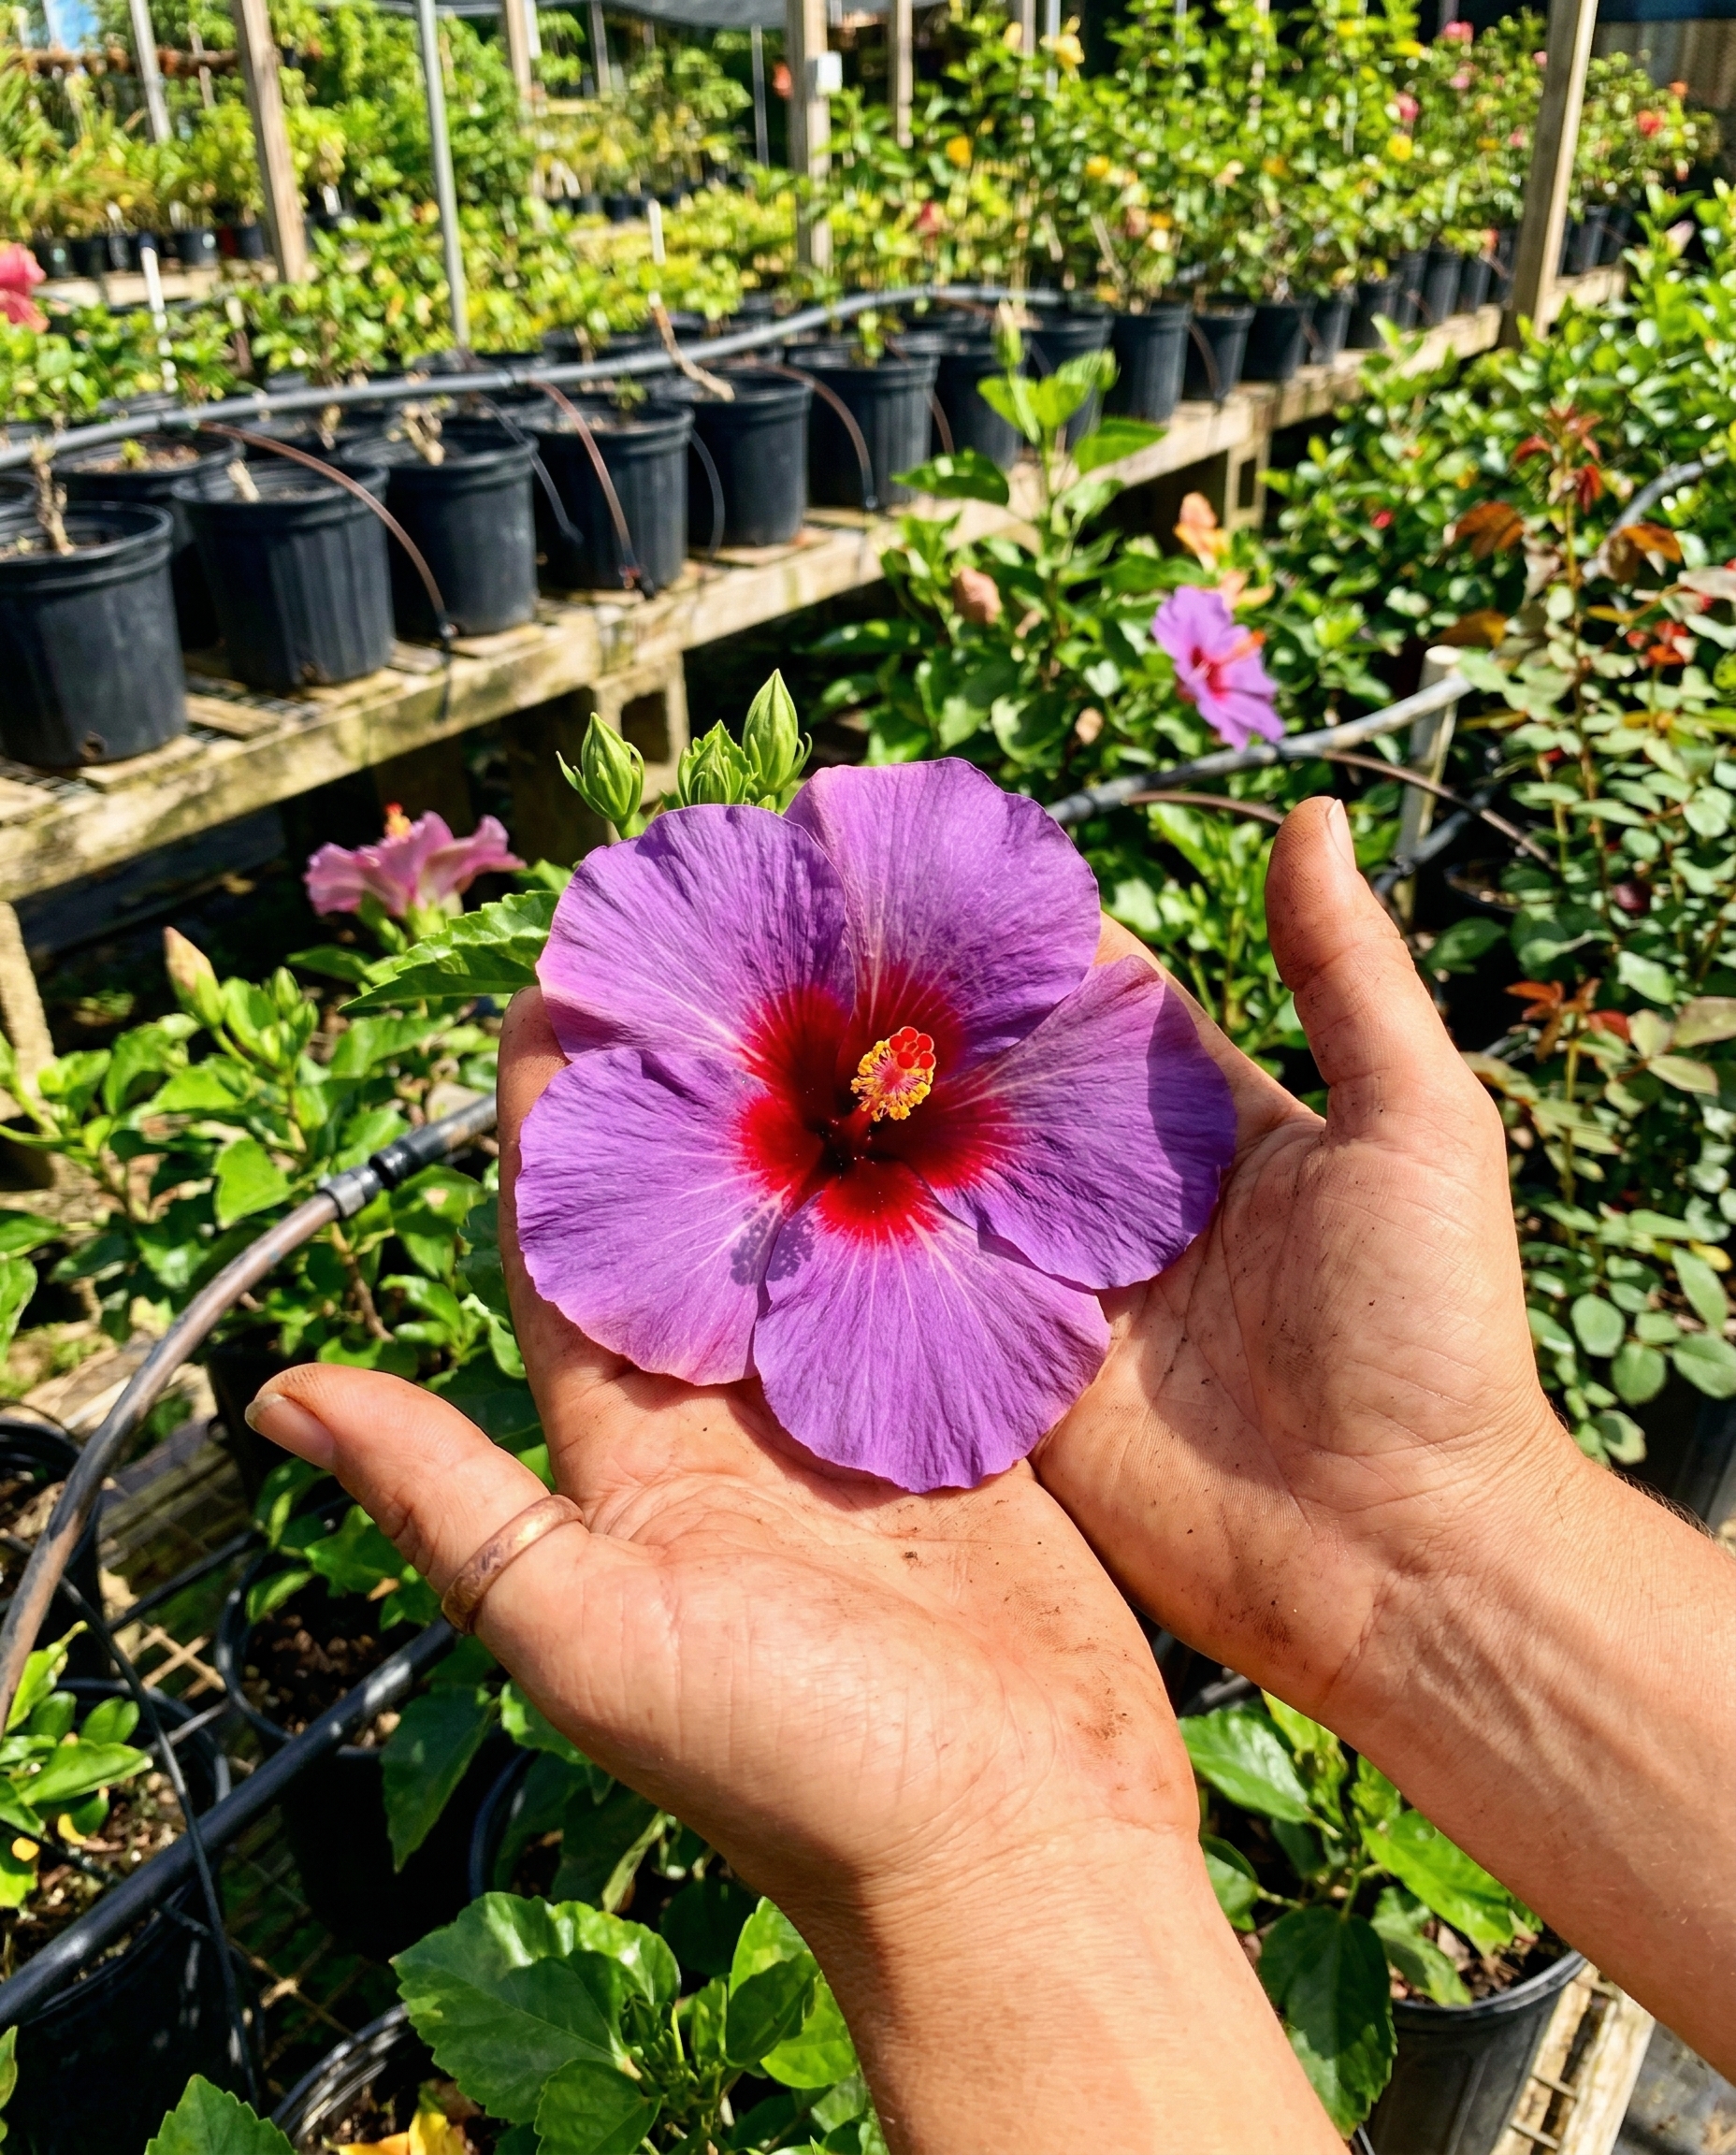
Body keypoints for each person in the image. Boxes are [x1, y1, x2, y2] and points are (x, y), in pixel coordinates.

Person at [244, 796, 1736, 2151]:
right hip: (747, 1167)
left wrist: (1441, 1526)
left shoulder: (994, 1098)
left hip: (904, 1244)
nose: (896, 1076)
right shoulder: (789, 1070)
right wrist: (1447, 1543)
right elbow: (643, 1184)